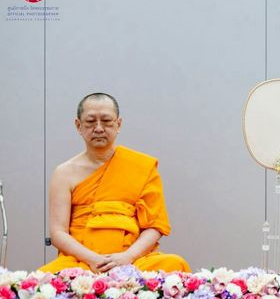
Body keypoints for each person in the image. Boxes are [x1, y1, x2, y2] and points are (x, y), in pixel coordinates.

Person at [39, 93, 189, 274]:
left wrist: (128, 257)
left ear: (118, 124)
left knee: (174, 264)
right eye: (90, 122)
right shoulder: (64, 173)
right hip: (81, 262)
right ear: (78, 126)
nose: (99, 128)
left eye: (106, 121)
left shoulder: (141, 167)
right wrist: (92, 259)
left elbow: (154, 226)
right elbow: (58, 233)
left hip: (133, 260)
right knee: (43, 279)